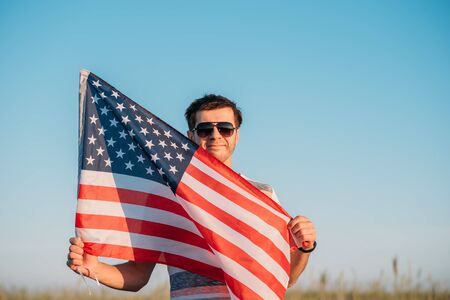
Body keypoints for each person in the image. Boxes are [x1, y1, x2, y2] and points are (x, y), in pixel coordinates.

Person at [67, 94, 317, 298]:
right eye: (205, 128)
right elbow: (138, 277)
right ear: (191, 136)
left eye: (226, 128)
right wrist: (93, 267)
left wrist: (305, 248)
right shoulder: (166, 196)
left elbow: (286, 279)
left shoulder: (262, 195)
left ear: (237, 134)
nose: (216, 135)